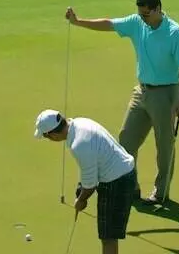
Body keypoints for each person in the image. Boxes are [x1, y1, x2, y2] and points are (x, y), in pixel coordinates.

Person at [64, 0, 179, 205]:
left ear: (158, 9)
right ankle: (131, 187)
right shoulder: (137, 22)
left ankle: (161, 193)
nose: (143, 18)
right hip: (141, 92)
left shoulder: (175, 33)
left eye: (146, 14)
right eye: (140, 14)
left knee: (164, 146)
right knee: (125, 141)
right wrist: (78, 22)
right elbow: (109, 24)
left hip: (166, 93)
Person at [34, 109, 136, 254]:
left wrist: (81, 200)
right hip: (122, 173)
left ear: (53, 134)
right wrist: (81, 187)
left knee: (108, 237)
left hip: (117, 182)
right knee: (109, 235)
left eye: (46, 136)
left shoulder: (79, 144)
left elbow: (90, 185)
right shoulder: (81, 122)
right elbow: (90, 170)